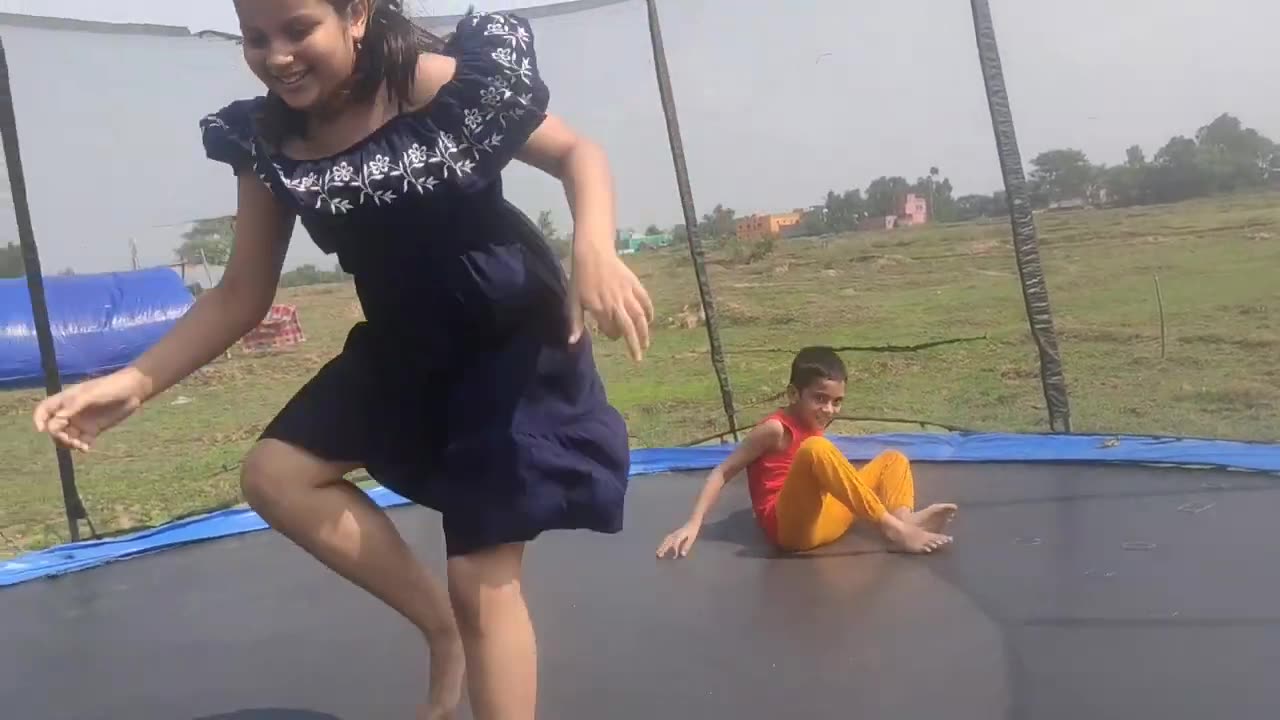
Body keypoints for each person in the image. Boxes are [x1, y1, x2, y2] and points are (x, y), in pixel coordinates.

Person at [33, 2, 653, 719]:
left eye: (299, 30)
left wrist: (595, 246)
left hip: (507, 342)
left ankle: (464, 626)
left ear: (356, 14)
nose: (277, 55)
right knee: (275, 475)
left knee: (481, 578)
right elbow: (241, 292)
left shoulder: (428, 82)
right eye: (256, 38)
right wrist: (135, 382)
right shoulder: (267, 139)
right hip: (404, 345)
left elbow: (580, 154)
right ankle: (439, 628)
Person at [657, 347, 955, 559]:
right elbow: (723, 471)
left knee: (893, 459)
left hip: (821, 521)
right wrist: (693, 523)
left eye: (837, 402)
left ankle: (904, 519)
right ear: (793, 394)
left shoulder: (813, 421)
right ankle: (894, 530)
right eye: (820, 399)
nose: (829, 410)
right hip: (790, 531)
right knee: (817, 448)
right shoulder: (775, 429)